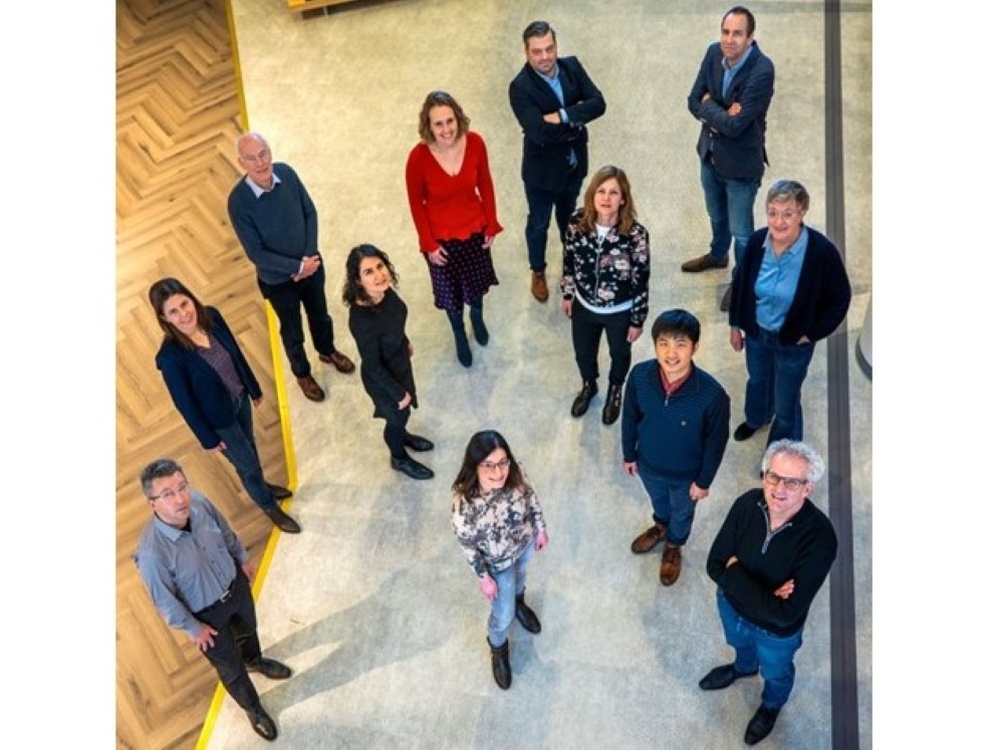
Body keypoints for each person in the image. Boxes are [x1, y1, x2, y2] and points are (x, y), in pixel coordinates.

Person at [134, 458, 294, 742]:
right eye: (168, 494)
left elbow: (225, 530)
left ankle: (255, 660)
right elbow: (165, 601)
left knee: (248, 631)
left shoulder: (199, 502)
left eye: (182, 487)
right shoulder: (150, 554)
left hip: (235, 586)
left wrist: (241, 559)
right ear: (152, 503)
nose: (181, 498)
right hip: (206, 616)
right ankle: (254, 710)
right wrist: (194, 628)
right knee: (230, 668)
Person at [699, 440, 837, 745]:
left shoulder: (821, 538)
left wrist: (735, 572)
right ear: (764, 477)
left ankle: (771, 706)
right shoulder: (747, 504)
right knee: (739, 644)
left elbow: (785, 612)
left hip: (776, 633)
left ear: (808, 488)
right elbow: (714, 565)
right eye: (773, 476)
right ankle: (744, 668)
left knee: (776, 672)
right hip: (731, 607)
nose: (779, 489)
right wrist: (767, 593)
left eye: (792, 482)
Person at [149, 277, 301, 534]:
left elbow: (236, 354)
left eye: (185, 304)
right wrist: (208, 439)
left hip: (239, 399)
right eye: (173, 312)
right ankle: (267, 505)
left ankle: (262, 486)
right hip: (219, 421)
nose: (184, 314)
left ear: (191, 298)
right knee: (248, 465)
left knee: (250, 448)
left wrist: (252, 386)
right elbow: (185, 404)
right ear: (164, 319)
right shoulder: (170, 358)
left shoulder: (212, 317)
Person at [227, 132, 356, 403]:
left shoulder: (286, 173)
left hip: (311, 265)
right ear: (241, 163)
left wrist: (308, 260)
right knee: (292, 330)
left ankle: (326, 350)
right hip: (278, 281)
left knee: (321, 315)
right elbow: (256, 253)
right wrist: (296, 266)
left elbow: (309, 211)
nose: (260, 162)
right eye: (251, 158)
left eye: (263, 153)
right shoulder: (238, 202)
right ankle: (302, 374)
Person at [728, 179, 851, 445]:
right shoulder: (758, 241)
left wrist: (812, 333)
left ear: (802, 213)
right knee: (758, 380)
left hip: (794, 342)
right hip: (757, 334)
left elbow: (840, 298)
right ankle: (757, 418)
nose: (778, 222)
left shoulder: (821, 252)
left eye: (787, 214)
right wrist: (735, 324)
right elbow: (741, 283)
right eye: (772, 212)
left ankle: (780, 451)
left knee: (786, 401)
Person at [621, 309, 730, 586]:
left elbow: (716, 444)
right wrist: (629, 454)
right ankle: (660, 526)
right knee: (658, 501)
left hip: (687, 476)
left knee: (681, 511)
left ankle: (673, 545)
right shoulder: (639, 376)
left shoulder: (712, 395)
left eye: (681, 344)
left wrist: (703, 481)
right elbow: (630, 416)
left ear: (695, 347)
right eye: (664, 343)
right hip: (648, 464)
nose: (671, 353)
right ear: (655, 344)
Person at [682, 6, 775, 314]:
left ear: (750, 38)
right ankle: (718, 254)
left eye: (737, 33)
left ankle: (742, 279)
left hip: (740, 167)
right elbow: (693, 100)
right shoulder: (712, 53)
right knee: (716, 214)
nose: (729, 39)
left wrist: (711, 106)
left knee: (742, 231)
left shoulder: (762, 70)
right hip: (709, 154)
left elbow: (737, 126)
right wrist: (720, 110)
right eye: (725, 32)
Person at [509, 20, 606, 303]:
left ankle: (572, 262)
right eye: (537, 51)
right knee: (539, 224)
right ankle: (538, 270)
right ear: (527, 53)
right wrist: (577, 117)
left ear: (556, 46)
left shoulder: (572, 66)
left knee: (569, 219)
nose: (545, 57)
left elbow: (599, 103)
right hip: (541, 175)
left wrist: (562, 116)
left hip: (573, 166)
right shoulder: (520, 87)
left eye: (549, 49)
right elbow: (538, 132)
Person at [405, 91, 503, 368]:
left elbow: (485, 184)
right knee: (450, 295)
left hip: (474, 230)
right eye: (438, 124)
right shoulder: (418, 158)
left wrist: (491, 223)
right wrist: (429, 244)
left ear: (458, 118)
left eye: (450, 121)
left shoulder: (475, 143)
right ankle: (459, 332)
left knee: (476, 285)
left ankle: (477, 317)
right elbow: (416, 204)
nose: (446, 129)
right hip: (440, 241)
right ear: (428, 125)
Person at [451, 430, 549, 690]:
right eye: (489, 466)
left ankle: (520, 603)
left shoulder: (516, 472)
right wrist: (483, 578)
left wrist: (540, 528)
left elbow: (531, 498)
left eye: (503, 462)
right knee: (502, 615)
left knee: (521, 580)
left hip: (525, 544)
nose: (499, 473)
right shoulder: (464, 505)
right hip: (498, 564)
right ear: (475, 466)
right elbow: (468, 545)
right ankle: (498, 648)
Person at [560, 165, 650, 425]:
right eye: (601, 191)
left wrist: (637, 320)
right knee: (583, 353)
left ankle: (615, 389)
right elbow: (568, 260)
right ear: (592, 194)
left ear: (623, 199)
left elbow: (641, 279)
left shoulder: (636, 235)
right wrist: (568, 294)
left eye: (613, 192)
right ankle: (589, 384)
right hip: (584, 305)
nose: (606, 198)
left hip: (619, 311)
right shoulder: (577, 223)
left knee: (619, 354)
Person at [342, 244, 435, 481]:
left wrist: (405, 340)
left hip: (400, 362)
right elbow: (372, 365)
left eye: (379, 266)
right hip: (383, 381)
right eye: (368, 272)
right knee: (395, 420)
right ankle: (399, 457)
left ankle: (404, 434)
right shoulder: (361, 321)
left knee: (403, 417)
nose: (379, 275)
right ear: (358, 280)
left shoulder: (385, 292)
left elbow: (394, 321)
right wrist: (398, 394)